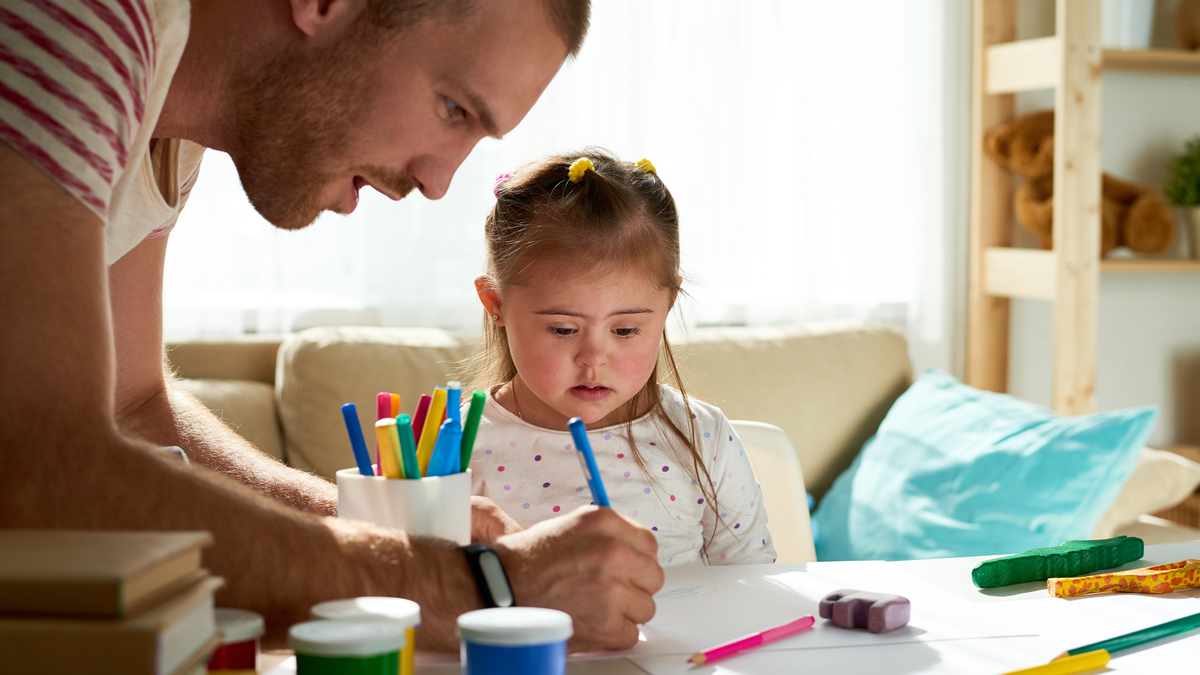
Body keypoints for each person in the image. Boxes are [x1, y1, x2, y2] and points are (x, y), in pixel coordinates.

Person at [0, 0, 663, 651]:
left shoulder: (165, 133)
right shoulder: (81, 23)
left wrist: (392, 526)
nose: (438, 182)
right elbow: (42, 465)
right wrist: (482, 587)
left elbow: (134, 404)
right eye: (453, 108)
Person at [467, 149, 776, 567]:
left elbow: (752, 586)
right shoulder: (456, 448)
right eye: (562, 329)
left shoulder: (703, 437)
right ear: (495, 303)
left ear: (667, 304)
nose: (594, 357)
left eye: (626, 330)